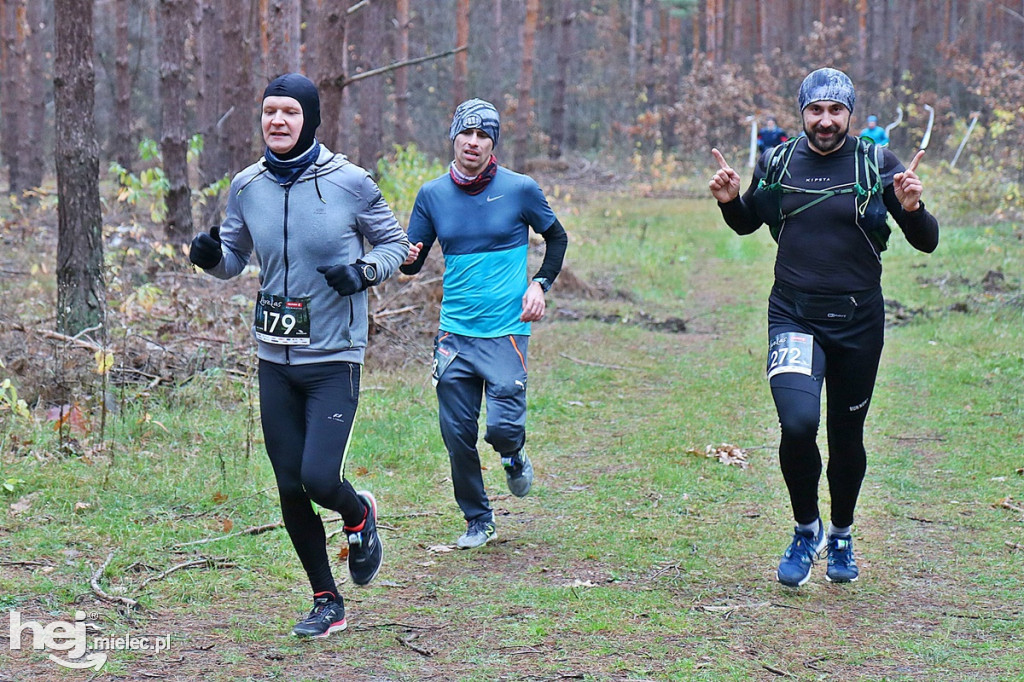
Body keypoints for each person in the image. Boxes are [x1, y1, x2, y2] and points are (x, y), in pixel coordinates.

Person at [188, 73, 409, 636]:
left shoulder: (351, 182)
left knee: (317, 477)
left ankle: (359, 514)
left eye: (289, 112)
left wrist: (361, 272)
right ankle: (325, 600)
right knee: (289, 486)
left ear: (310, 118)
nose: (277, 122)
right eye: (269, 112)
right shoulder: (246, 185)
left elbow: (397, 248)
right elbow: (234, 257)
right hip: (274, 359)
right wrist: (209, 257)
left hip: (334, 356)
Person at [708, 67, 938, 587]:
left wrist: (912, 207)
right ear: (803, 113)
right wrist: (729, 201)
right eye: (816, 110)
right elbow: (749, 221)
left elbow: (926, 241)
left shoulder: (876, 163)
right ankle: (805, 528)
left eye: (836, 111)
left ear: (849, 114)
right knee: (796, 423)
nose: (826, 121)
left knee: (846, 435)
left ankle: (841, 535)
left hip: (859, 321)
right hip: (793, 314)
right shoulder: (780, 160)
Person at [399, 98, 568, 549]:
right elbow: (412, 263)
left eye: (483, 135)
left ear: (493, 143)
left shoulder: (520, 189)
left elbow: (556, 236)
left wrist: (540, 284)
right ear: (453, 137)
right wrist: (407, 257)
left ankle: (513, 455)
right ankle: (478, 519)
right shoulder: (432, 195)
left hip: (506, 330)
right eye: (466, 133)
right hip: (455, 332)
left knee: (502, 430)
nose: (473, 143)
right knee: (457, 435)